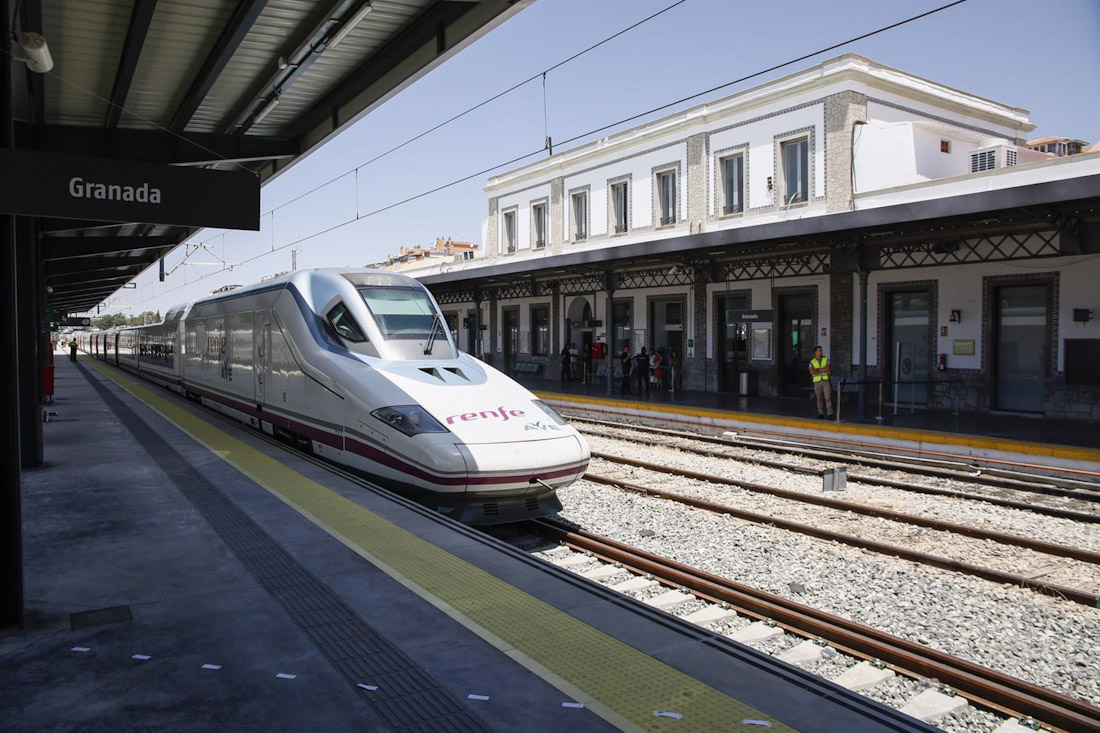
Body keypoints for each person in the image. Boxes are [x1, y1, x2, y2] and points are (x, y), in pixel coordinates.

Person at [809, 345, 833, 419]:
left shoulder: (826, 359)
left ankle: (830, 414)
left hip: (826, 381)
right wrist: (822, 369)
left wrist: (818, 370)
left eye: (821, 350)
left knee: (828, 397)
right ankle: (820, 413)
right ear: (815, 352)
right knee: (819, 398)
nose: (821, 352)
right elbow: (811, 371)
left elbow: (827, 368)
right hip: (817, 382)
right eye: (819, 351)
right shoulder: (812, 361)